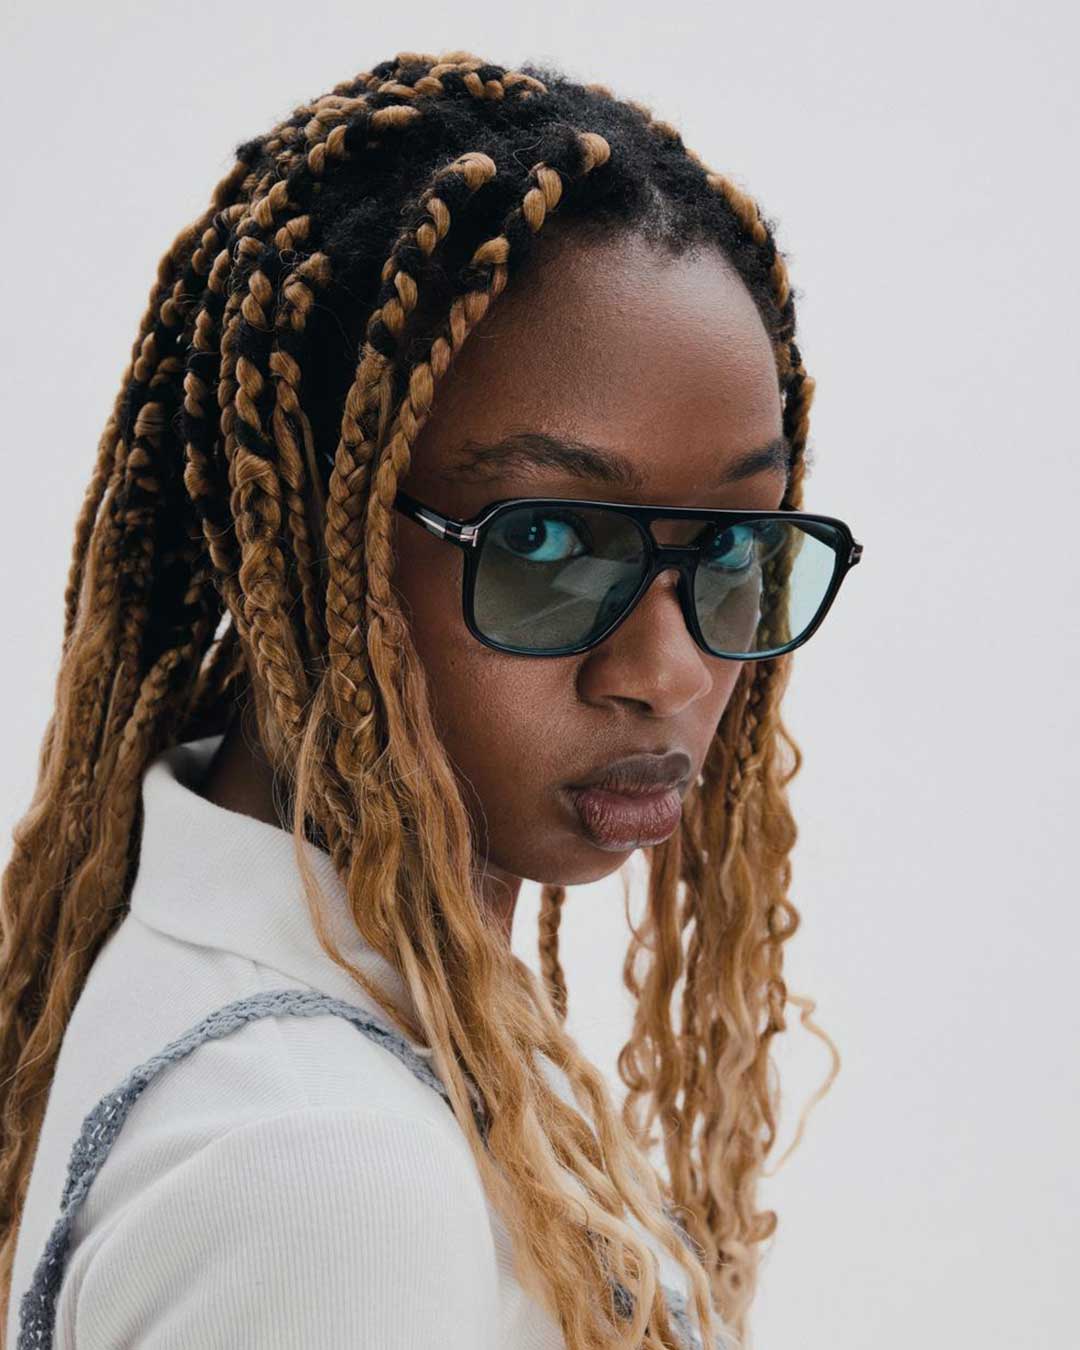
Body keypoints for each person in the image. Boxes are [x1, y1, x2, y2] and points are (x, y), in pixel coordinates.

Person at [0, 48, 862, 1350]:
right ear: (306, 543)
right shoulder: (324, 1176)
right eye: (547, 541)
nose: (672, 672)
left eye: (735, 546)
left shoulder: (266, 992)